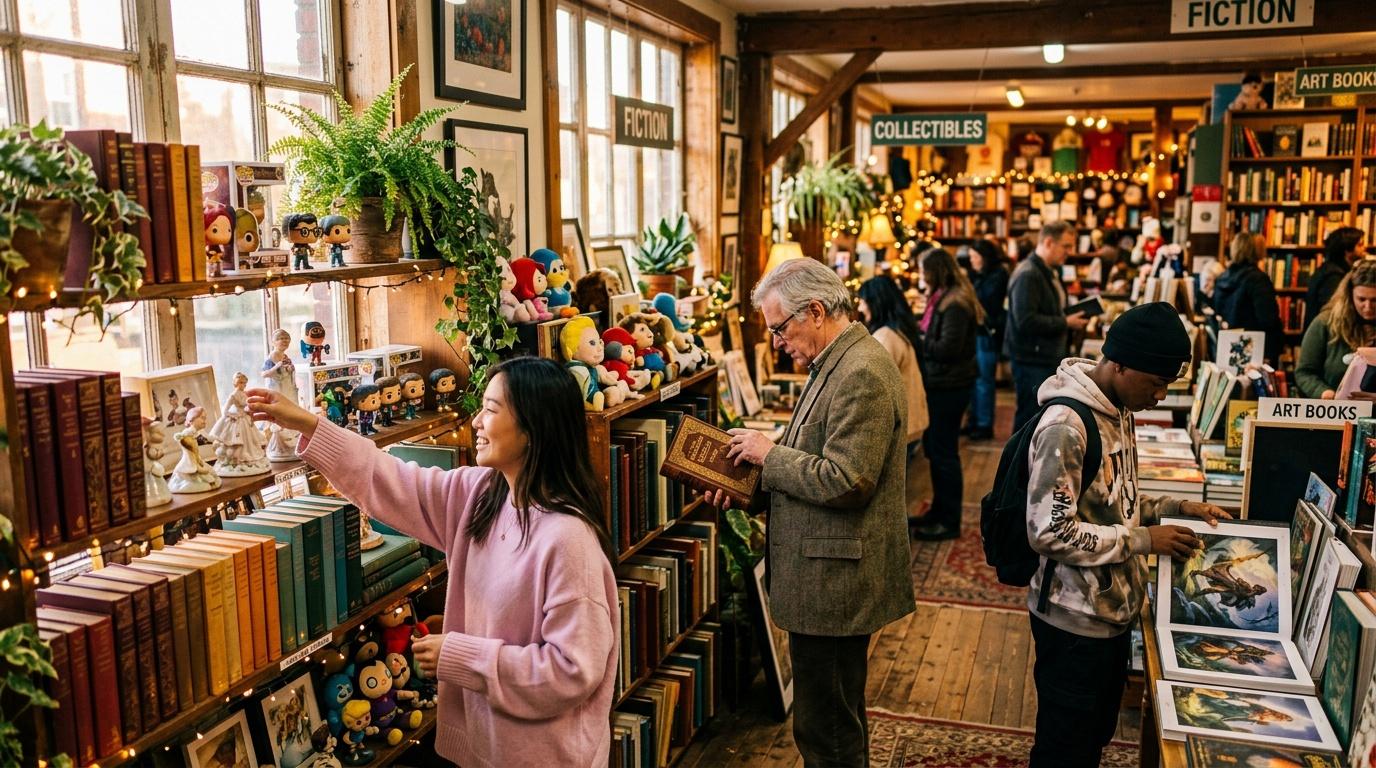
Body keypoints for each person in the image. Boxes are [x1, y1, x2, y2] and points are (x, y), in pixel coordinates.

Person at [245, 356, 618, 768]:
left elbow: (571, 672)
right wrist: (310, 425)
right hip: (485, 748)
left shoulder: (568, 540)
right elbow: (390, 480)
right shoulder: (481, 495)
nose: (476, 421)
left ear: (534, 428)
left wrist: (460, 658)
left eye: (491, 410)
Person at [708, 257, 915, 767]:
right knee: (831, 718)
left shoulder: (861, 370)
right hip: (827, 576)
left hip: (836, 583)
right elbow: (817, 460)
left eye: (780, 328)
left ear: (817, 311)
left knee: (828, 730)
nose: (777, 341)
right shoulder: (836, 361)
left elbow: (848, 480)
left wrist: (768, 454)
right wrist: (747, 488)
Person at [1024, 302, 1230, 767]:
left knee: (1092, 736)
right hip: (1072, 619)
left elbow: (1117, 505)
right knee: (1064, 748)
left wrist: (1175, 507)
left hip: (1111, 614)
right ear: (1118, 364)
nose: (1160, 396)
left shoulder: (1120, 407)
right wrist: (1143, 540)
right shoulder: (1066, 426)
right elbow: (1049, 531)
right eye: (1155, 383)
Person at [913, 247, 981, 541]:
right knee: (938, 450)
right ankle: (939, 510)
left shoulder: (954, 304)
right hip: (944, 383)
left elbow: (947, 349)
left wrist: (919, 341)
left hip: (949, 386)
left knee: (944, 454)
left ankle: (949, 520)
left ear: (934, 271)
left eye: (922, 270)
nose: (919, 275)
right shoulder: (945, 297)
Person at [1006, 221, 1091, 431]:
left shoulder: (1047, 270)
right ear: (1049, 242)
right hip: (1031, 359)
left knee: (1037, 416)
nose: (1069, 253)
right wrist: (1065, 322)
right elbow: (1025, 321)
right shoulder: (1028, 274)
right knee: (1028, 418)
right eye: (1066, 246)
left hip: (1042, 356)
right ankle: (1019, 463)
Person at [858, 276, 929, 453]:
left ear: (876, 303)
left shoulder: (885, 338)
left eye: (863, 301)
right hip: (912, 421)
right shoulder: (897, 329)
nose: (859, 307)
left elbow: (873, 387)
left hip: (901, 425)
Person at [1296, 259, 1376, 399]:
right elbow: (1304, 372)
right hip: (1334, 410)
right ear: (1350, 295)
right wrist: (1324, 392)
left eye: (1375, 300)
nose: (1368, 307)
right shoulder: (1326, 323)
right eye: (1361, 299)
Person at [1213, 232, 1282, 363]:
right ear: (1254, 251)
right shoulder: (1258, 279)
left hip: (1229, 347)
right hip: (1255, 348)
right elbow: (1268, 318)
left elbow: (1218, 313)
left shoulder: (1222, 278)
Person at [965, 239, 1009, 440]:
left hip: (988, 333)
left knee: (983, 379)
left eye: (975, 257)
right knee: (974, 379)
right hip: (977, 331)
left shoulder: (998, 275)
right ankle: (974, 420)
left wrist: (970, 282)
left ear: (985, 257)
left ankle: (984, 424)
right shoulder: (980, 275)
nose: (972, 261)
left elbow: (985, 301)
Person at [1305, 226, 1367, 330]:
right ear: (1347, 250)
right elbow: (1332, 312)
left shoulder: (1330, 270)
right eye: (1360, 245)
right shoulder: (1333, 277)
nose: (1364, 248)